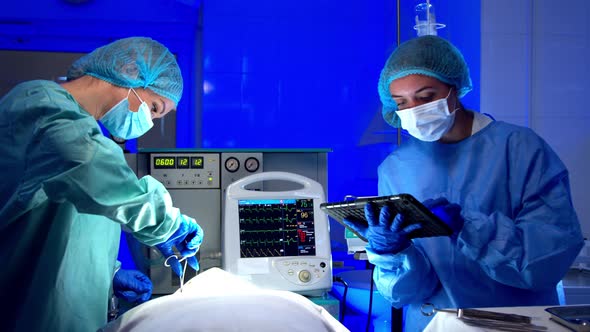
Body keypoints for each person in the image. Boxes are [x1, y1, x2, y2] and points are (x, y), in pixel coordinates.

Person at [343, 35, 585, 331]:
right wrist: (393, 253)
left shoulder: (519, 148)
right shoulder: (397, 167)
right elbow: (406, 293)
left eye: (426, 96)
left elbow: (546, 261)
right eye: (401, 102)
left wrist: (470, 228)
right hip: (434, 323)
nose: (414, 110)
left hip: (518, 323)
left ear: (453, 89)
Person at [0, 36, 204, 332]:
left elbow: (71, 219)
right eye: (155, 107)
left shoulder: (86, 132)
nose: (149, 121)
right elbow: (94, 173)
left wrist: (108, 275)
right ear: (130, 73)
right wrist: (168, 224)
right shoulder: (40, 106)